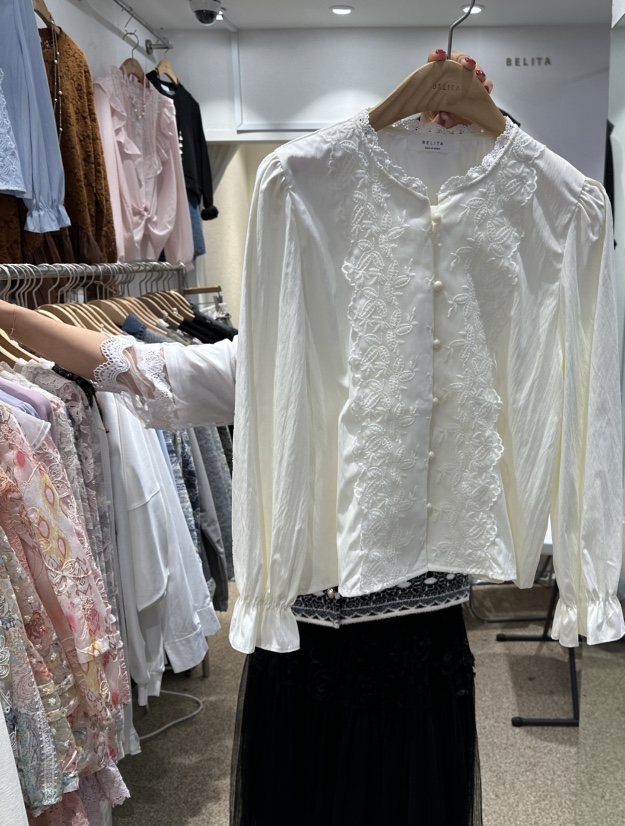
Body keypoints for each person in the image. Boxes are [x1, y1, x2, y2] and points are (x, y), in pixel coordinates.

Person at [0, 50, 496, 826]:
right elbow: (138, 367)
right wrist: (13, 317)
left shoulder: (467, 337)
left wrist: (462, 134)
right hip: (311, 640)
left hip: (417, 639)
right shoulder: (276, 351)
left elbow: (512, 230)